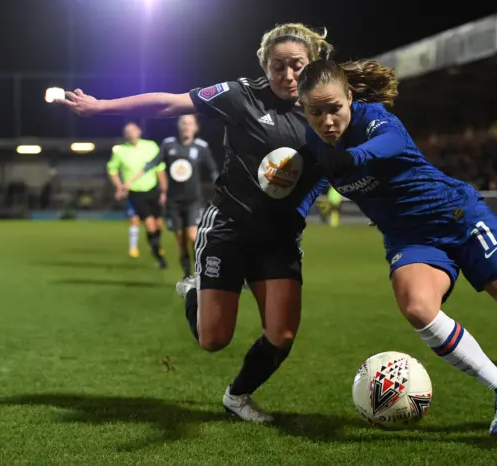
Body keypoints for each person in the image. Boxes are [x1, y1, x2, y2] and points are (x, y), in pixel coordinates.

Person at [297, 59, 497, 436]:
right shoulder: (313, 144)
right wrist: (291, 217)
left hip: (459, 218)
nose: (326, 121)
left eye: (334, 108)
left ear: (350, 97)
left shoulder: (375, 120)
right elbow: (310, 188)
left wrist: (351, 157)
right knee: (418, 308)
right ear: (303, 110)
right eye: (314, 112)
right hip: (410, 238)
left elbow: (392, 145)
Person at [55, 23, 333, 422]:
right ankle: (192, 291)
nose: (287, 75)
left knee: (282, 335)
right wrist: (101, 107)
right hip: (229, 230)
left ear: (311, 65)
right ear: (264, 66)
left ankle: (237, 396)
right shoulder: (240, 96)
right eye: (278, 66)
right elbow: (168, 103)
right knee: (213, 340)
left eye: (296, 65)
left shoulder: (322, 111)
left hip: (279, 238)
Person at [124, 115, 219, 277]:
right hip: (173, 201)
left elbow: (213, 170)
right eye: (183, 123)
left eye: (189, 123)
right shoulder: (168, 145)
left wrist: (222, 188)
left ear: (195, 127)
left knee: (193, 236)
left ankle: (199, 273)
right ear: (179, 126)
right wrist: (129, 182)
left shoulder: (201, 147)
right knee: (180, 241)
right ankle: (187, 275)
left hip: (193, 200)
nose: (186, 126)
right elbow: (151, 164)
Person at [107, 122, 168, 269]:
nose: (131, 133)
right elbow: (112, 170)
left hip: (153, 190)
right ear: (124, 134)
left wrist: (164, 191)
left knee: (159, 224)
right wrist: (120, 186)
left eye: (133, 130)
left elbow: (160, 169)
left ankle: (154, 246)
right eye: (127, 131)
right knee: (150, 225)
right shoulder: (120, 151)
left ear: (139, 131)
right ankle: (159, 257)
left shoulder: (151, 146)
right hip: (135, 193)